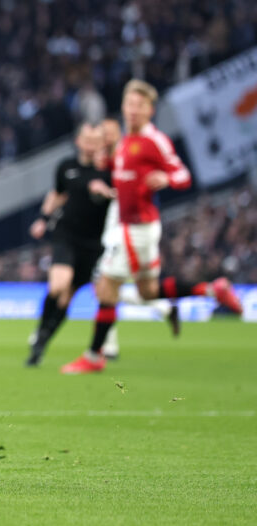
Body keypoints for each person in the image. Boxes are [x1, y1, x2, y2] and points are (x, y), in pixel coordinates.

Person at [61, 80, 241, 375]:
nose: (132, 110)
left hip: (137, 229)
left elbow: (182, 174)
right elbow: (122, 176)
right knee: (147, 292)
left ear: (150, 110)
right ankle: (212, 289)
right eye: (129, 104)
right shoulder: (124, 144)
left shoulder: (153, 140)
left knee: (106, 288)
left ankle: (94, 356)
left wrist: (166, 179)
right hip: (134, 228)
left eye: (139, 106)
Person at [25, 123, 111, 366]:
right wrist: (43, 218)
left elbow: (117, 196)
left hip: (93, 244)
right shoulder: (67, 167)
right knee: (57, 286)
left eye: (96, 141)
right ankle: (41, 334)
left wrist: (105, 192)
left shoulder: (107, 171)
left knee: (66, 299)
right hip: (66, 236)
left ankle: (42, 342)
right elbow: (58, 193)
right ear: (79, 141)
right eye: (88, 140)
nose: (92, 145)